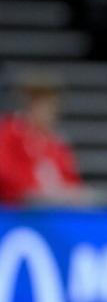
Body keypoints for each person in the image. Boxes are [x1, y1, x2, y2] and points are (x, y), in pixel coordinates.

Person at [0, 72, 98, 208]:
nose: (50, 114)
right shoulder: (9, 133)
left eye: (53, 108)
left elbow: (71, 179)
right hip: (20, 208)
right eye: (44, 107)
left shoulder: (56, 143)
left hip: (56, 205)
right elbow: (5, 173)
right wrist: (33, 190)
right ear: (30, 105)